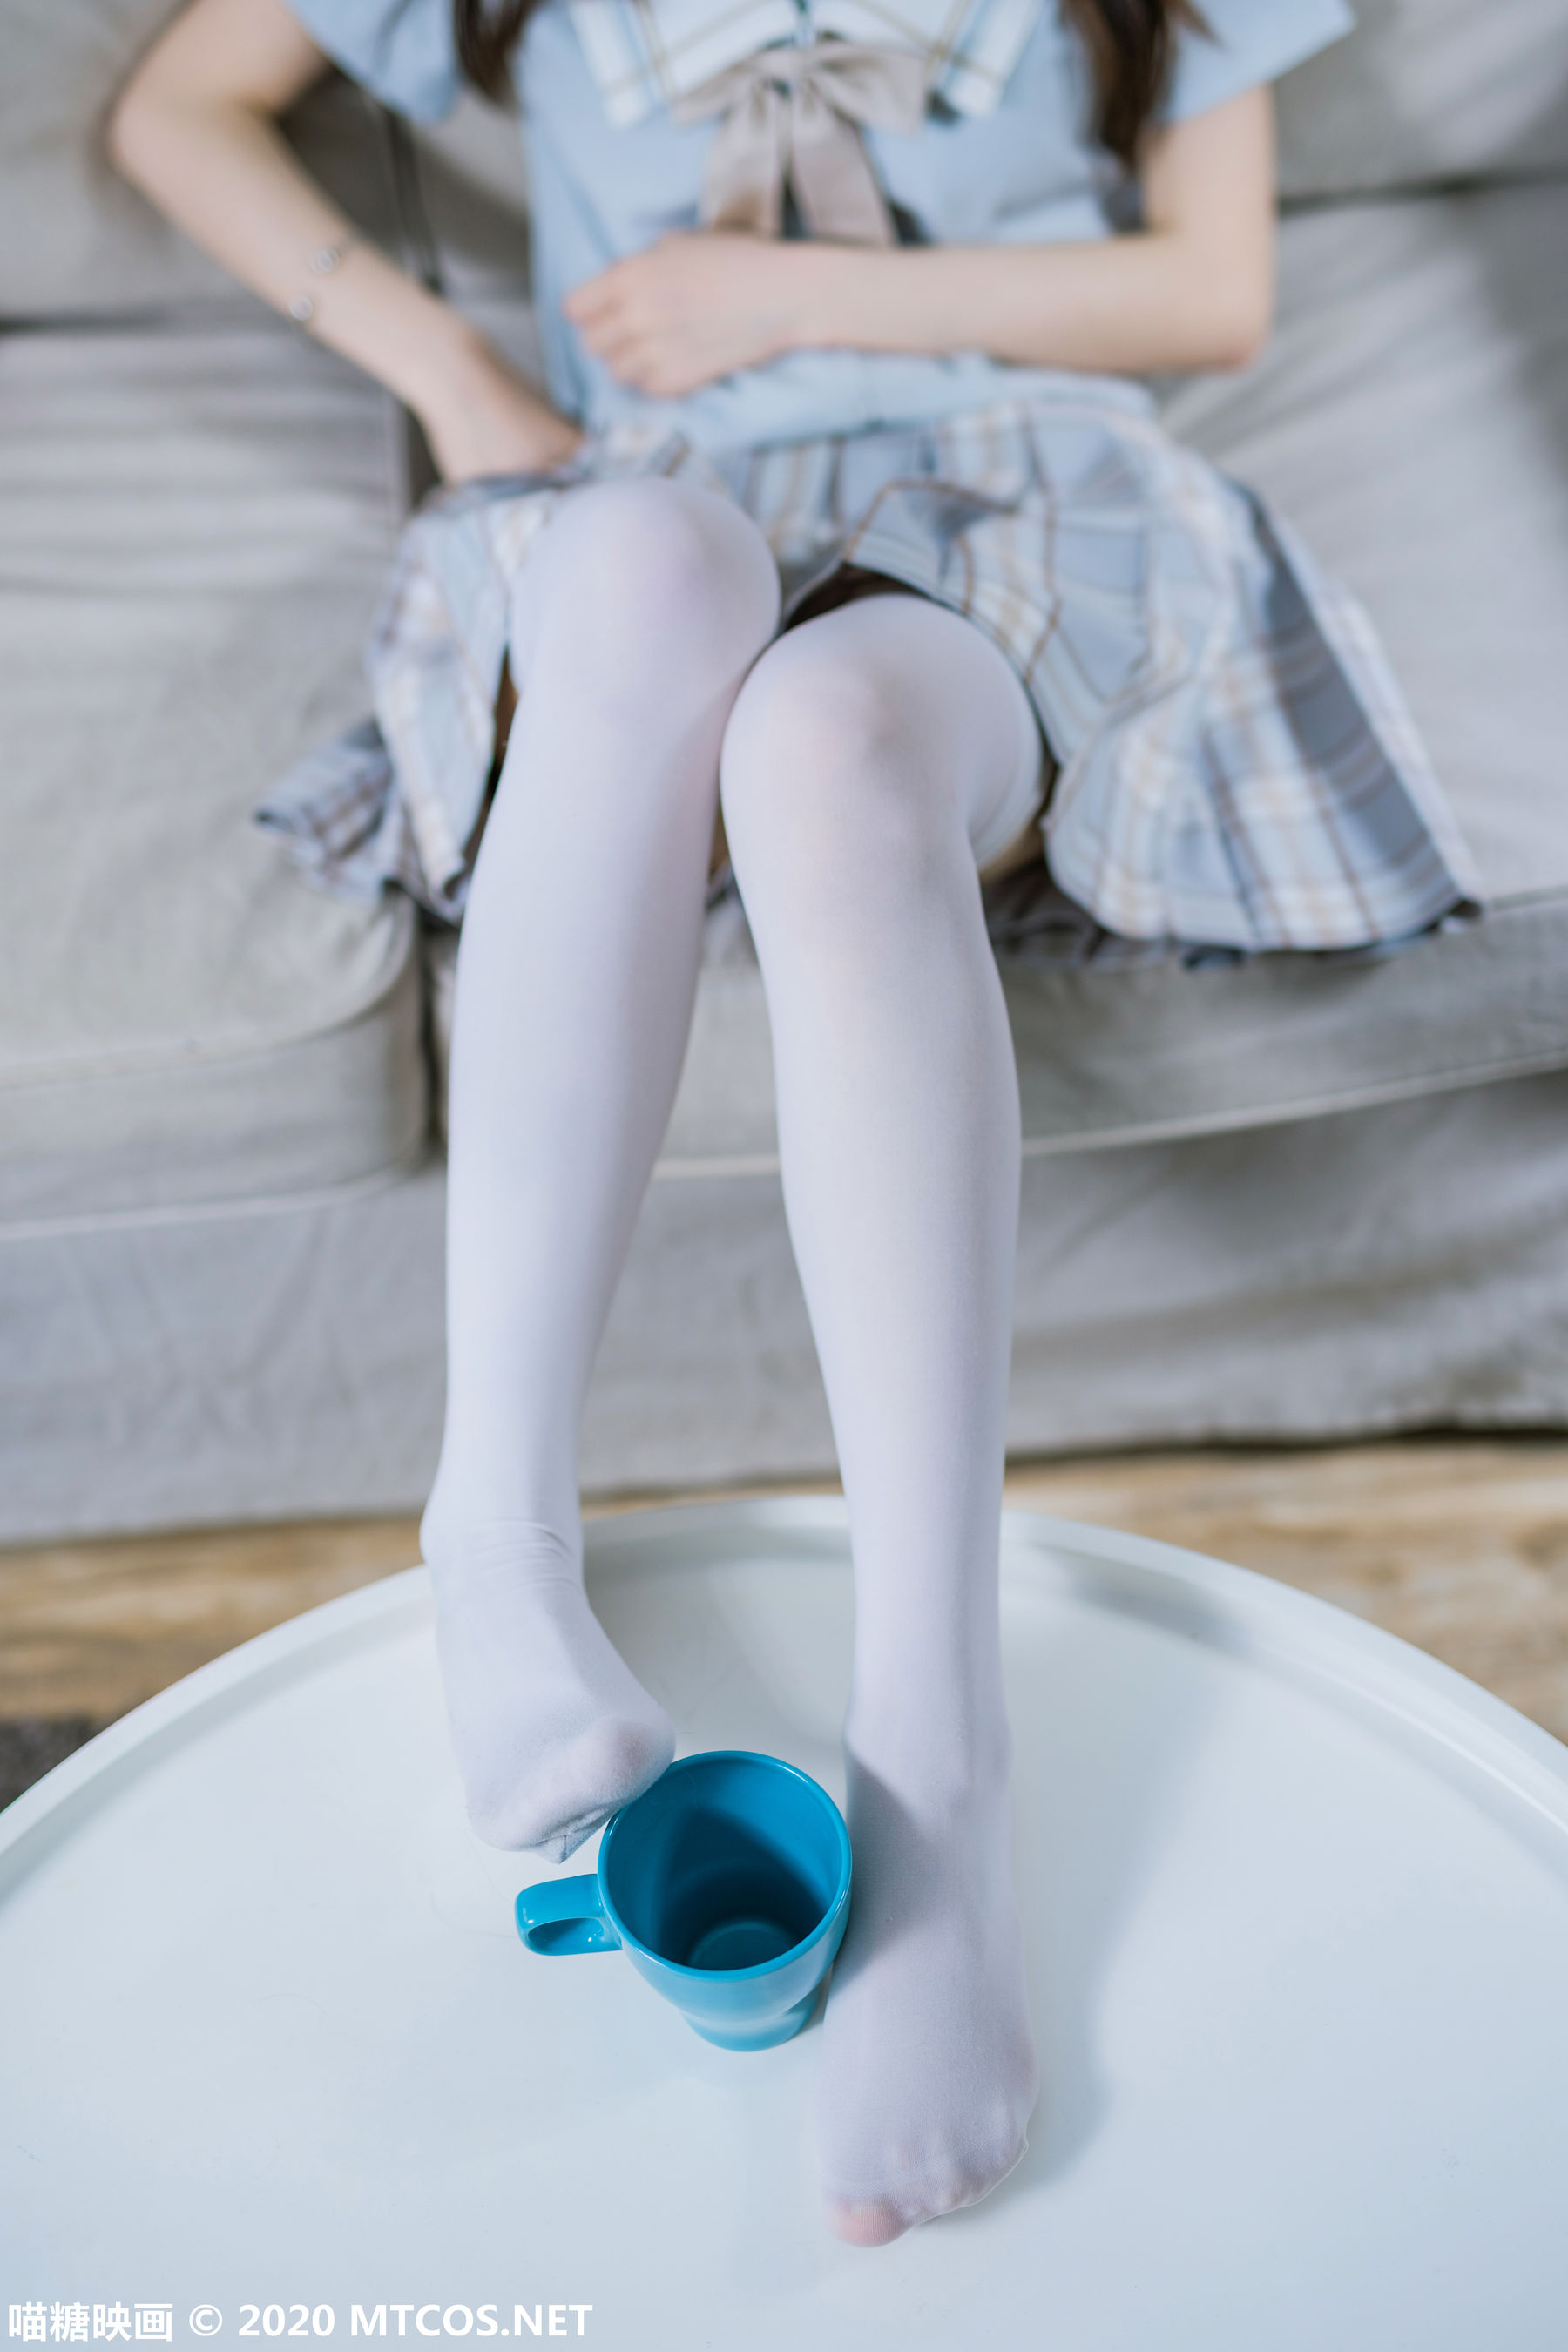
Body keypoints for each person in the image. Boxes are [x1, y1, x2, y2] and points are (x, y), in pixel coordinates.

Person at [106, 0, 1477, 2248]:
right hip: (648, 490)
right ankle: (493, 1531)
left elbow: (1212, 289)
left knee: (828, 748)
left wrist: (799, 292)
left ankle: (939, 1772)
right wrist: (458, 377)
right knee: (647, 571)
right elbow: (179, 102)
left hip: (1026, 484)